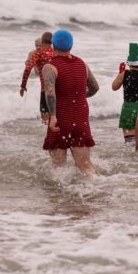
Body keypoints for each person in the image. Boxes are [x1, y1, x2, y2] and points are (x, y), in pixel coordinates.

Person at [42, 29, 99, 173]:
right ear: (71, 46)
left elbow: (50, 93)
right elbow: (95, 88)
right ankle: (97, 186)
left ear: (53, 46)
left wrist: (53, 116)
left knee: (58, 168)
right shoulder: (82, 64)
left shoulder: (50, 67)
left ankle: (59, 195)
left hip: (61, 118)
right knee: (85, 166)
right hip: (80, 117)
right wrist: (78, 96)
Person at [20, 32, 55, 123]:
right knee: (55, 115)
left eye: (39, 45)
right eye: (36, 45)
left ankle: (49, 133)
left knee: (45, 116)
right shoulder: (57, 52)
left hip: (46, 89)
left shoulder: (37, 53)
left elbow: (27, 68)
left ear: (43, 42)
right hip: (59, 88)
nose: (38, 47)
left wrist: (23, 86)